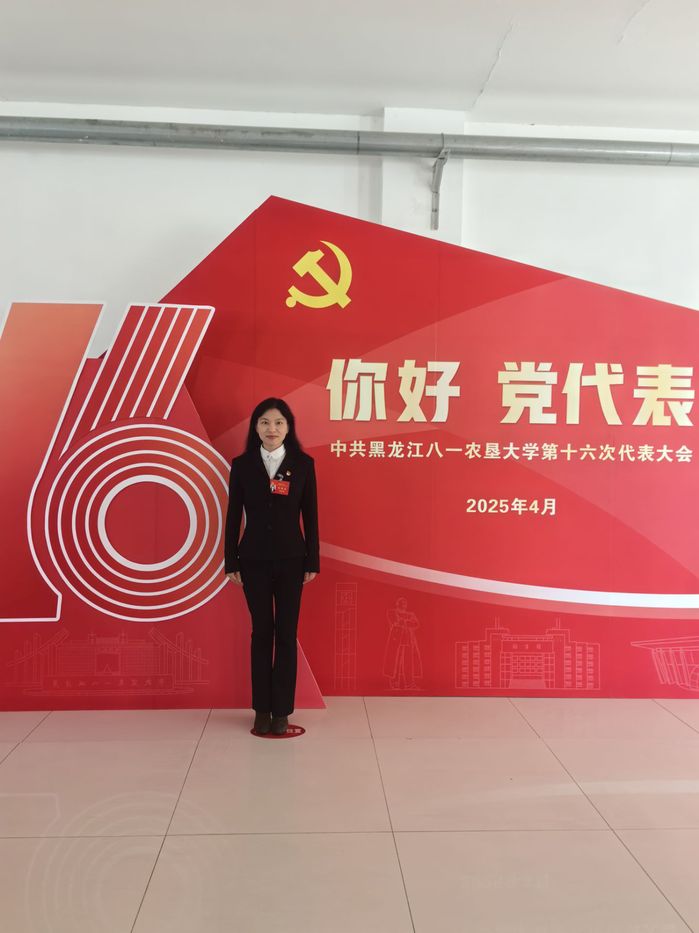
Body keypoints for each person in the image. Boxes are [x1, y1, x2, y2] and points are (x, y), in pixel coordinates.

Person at [224, 398, 319, 735]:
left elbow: (310, 515)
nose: (272, 429)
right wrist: (231, 559)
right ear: (256, 427)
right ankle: (261, 709)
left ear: (288, 427)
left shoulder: (303, 464)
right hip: (252, 561)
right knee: (261, 633)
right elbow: (233, 515)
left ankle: (282, 711)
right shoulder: (242, 465)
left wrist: (312, 560)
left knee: (286, 634)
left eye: (278, 422)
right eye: (265, 422)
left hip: (292, 560)